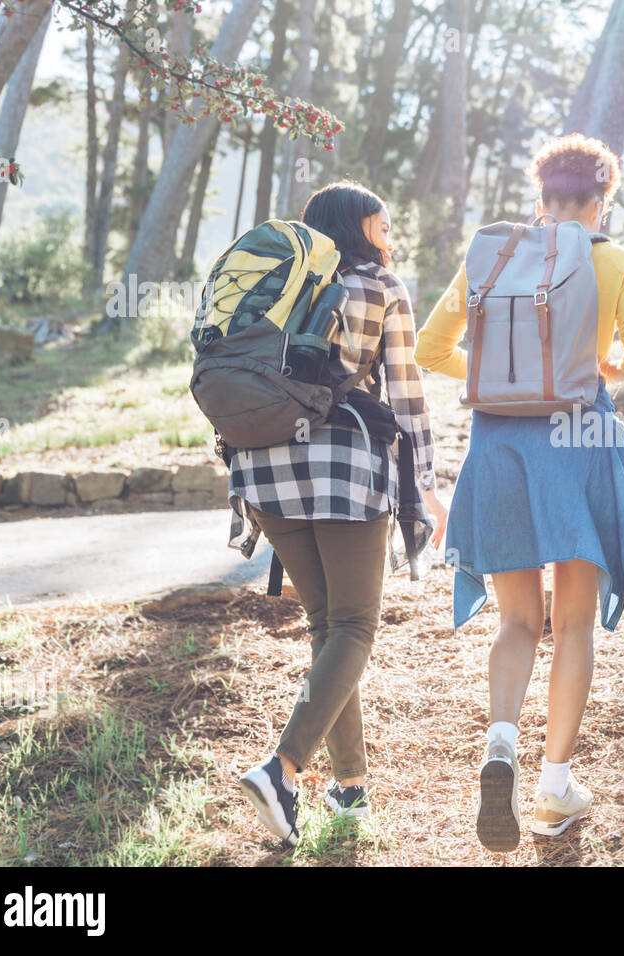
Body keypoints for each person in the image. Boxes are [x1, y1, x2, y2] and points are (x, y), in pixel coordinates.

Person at [415, 133, 624, 851]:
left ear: (541, 198)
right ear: (601, 198)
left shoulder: (496, 255)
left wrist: (496, 373)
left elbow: (433, 349)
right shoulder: (614, 259)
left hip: (497, 447)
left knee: (517, 621)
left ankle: (500, 744)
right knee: (574, 625)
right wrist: (592, 369)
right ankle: (554, 786)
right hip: (576, 443)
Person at [234, 181, 447, 846]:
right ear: (359, 229)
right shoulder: (378, 285)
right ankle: (283, 768)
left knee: (330, 628)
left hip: (262, 469)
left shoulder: (272, 282)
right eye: (384, 228)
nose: (391, 239)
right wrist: (429, 484)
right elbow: (407, 395)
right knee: (355, 626)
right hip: (344, 468)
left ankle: (348, 788)